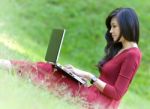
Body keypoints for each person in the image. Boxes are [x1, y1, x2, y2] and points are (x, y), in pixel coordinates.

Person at [0, 7, 142, 109]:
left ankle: (6, 65)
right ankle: (8, 65)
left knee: (52, 71)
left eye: (114, 26)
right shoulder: (121, 49)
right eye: (110, 27)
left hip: (98, 103)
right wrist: (77, 72)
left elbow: (117, 93)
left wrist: (87, 75)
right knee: (54, 69)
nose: (110, 31)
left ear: (126, 25)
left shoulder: (133, 55)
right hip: (92, 93)